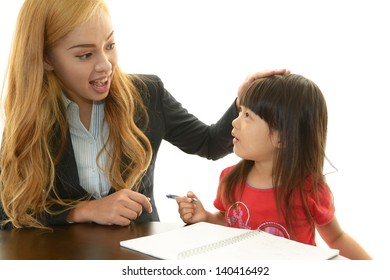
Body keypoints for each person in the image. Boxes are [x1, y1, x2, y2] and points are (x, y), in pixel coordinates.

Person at [0, 0, 288, 230]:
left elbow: (210, 144)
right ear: (46, 58)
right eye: (85, 55)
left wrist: (242, 99)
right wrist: (82, 211)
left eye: (110, 46)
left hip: (137, 258)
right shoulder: (31, 115)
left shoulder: (148, 94)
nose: (105, 65)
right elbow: (9, 212)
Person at [176, 74, 372, 260]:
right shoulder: (230, 179)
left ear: (283, 137)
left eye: (247, 116)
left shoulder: (310, 188)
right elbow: (228, 220)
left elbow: (336, 238)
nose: (234, 122)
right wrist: (206, 217)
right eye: (239, 112)